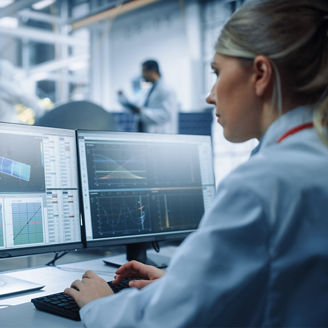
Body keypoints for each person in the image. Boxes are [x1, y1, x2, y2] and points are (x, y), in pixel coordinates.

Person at [65, 0, 328, 326]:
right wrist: (184, 286)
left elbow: (158, 323)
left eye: (217, 73)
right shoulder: (312, 158)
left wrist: (99, 304)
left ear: (260, 74)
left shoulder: (265, 182)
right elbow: (282, 291)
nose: (210, 95)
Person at [117, 59, 179, 134]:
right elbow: (137, 104)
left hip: (161, 135)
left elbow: (165, 116)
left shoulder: (167, 90)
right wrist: (122, 98)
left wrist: (141, 112)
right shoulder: (148, 90)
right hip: (146, 134)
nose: (142, 75)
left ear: (153, 71)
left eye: (144, 71)